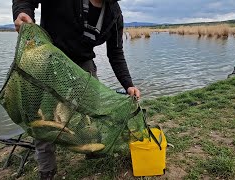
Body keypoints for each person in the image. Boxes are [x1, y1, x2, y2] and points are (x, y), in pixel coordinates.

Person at [12, 0, 141, 179]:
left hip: (83, 62)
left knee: (93, 110)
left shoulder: (114, 13)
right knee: (42, 116)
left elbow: (116, 53)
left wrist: (129, 85)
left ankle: (90, 149)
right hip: (49, 57)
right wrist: (22, 11)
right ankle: (47, 168)